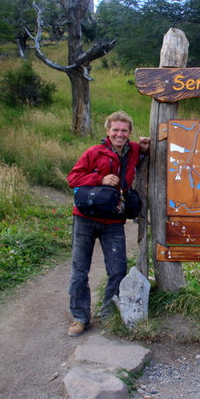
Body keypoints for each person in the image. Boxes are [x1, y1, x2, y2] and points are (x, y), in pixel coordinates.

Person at [66, 111, 150, 337]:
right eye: (115, 130)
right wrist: (99, 179)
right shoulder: (94, 152)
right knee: (80, 269)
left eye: (124, 131)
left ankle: (108, 315)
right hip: (85, 218)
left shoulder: (132, 150)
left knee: (117, 269)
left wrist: (143, 147)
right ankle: (80, 318)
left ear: (129, 132)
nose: (119, 134)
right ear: (108, 131)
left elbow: (142, 151)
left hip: (113, 220)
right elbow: (72, 179)